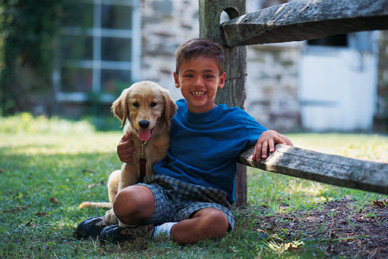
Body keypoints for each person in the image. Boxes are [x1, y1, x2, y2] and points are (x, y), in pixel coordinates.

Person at [76, 38, 293, 245]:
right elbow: (138, 130)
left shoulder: (236, 119)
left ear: (221, 80)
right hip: (165, 190)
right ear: (177, 79)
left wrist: (267, 133)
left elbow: (284, 143)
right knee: (126, 200)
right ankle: (125, 225)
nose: (199, 83)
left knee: (215, 222)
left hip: (207, 200)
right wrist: (124, 150)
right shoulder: (169, 112)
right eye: (189, 75)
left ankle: (150, 232)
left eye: (208, 76)